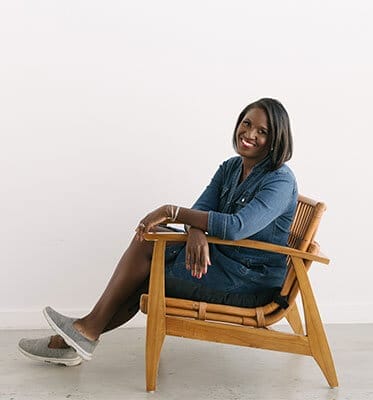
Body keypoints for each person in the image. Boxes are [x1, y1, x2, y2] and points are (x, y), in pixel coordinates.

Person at [18, 97, 297, 366]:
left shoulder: (280, 181)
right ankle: (80, 336)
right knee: (150, 243)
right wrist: (195, 231)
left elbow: (236, 228)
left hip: (248, 283)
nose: (249, 133)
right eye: (246, 124)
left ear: (276, 140)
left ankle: (79, 335)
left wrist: (171, 211)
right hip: (217, 262)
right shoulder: (231, 167)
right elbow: (200, 208)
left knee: (147, 258)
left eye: (262, 131)